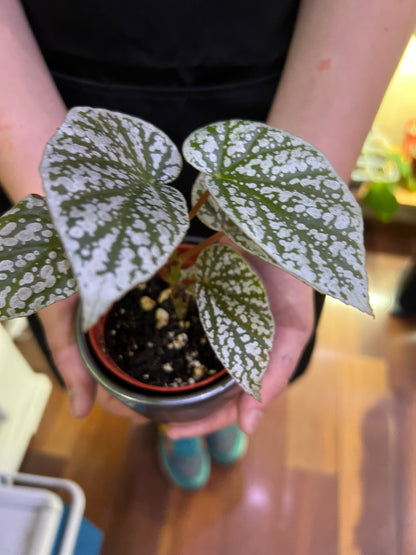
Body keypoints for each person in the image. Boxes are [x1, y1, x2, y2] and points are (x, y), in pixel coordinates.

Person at [1, 0, 415, 489]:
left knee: (248, 346)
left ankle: (195, 418)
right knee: (97, 314)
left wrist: (280, 257)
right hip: (42, 101)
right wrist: (67, 218)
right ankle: (177, 428)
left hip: (284, 91)